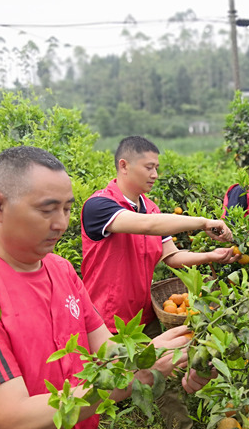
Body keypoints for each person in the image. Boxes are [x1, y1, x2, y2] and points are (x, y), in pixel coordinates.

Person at [0, 146, 213, 429]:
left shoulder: (61, 270)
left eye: (66, 209)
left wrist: (180, 355)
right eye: (46, 209)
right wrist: (136, 377)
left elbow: (110, 354)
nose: (61, 224)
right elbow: (14, 421)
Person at [81, 136, 239, 336]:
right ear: (124, 166)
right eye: (149, 167)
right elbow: (148, 225)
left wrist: (211, 256)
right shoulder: (99, 205)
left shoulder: (151, 209)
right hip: (107, 322)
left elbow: (172, 257)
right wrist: (204, 222)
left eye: (156, 168)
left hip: (146, 318)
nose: (155, 175)